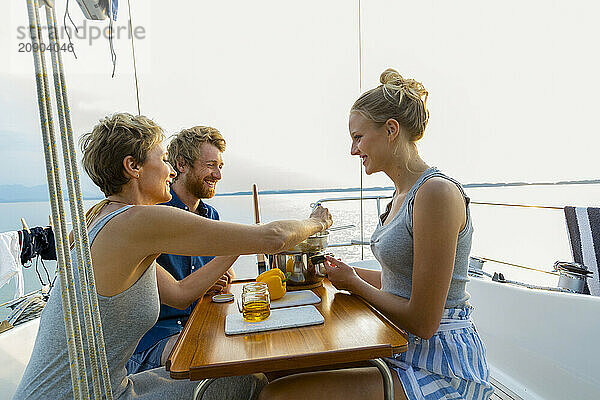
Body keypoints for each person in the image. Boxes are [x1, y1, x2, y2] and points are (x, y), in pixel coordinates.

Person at [13, 112, 332, 400]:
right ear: (132, 166)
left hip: (113, 386)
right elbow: (272, 237)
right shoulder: (136, 221)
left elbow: (179, 294)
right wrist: (317, 222)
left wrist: (236, 244)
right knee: (255, 383)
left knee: (240, 374)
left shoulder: (105, 219)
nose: (169, 169)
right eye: (163, 159)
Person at [258, 69, 493, 400]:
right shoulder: (400, 195)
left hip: (438, 363)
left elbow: (424, 321)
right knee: (277, 369)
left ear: (391, 130)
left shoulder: (435, 194)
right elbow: (401, 282)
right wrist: (342, 274)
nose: (353, 150)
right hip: (397, 346)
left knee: (277, 396)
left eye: (358, 137)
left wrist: (355, 284)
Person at [126, 125, 235, 374]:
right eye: (210, 165)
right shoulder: (153, 215)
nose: (217, 175)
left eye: (220, 166)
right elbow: (177, 294)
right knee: (228, 361)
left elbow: (222, 276)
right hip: (156, 339)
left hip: (198, 325)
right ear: (182, 165)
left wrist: (222, 278)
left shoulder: (210, 216)